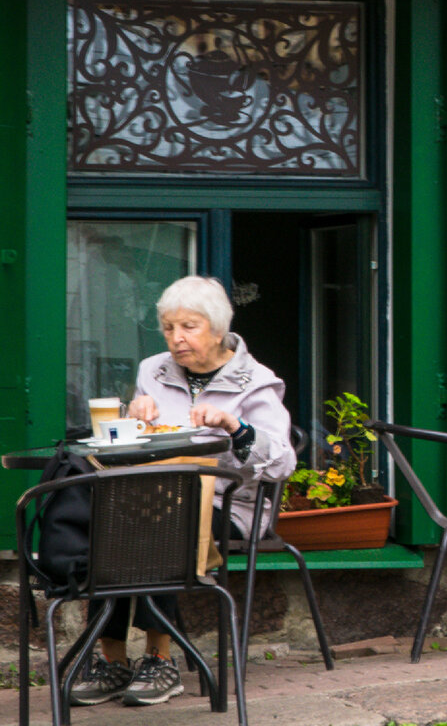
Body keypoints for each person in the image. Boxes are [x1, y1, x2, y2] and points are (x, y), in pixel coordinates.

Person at [70, 275, 296, 706]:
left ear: (216, 329)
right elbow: (141, 447)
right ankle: (113, 661)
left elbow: (283, 461)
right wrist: (136, 419)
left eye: (188, 327)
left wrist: (235, 428)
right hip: (155, 494)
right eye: (169, 327)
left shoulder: (256, 381)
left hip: (230, 504)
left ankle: (160, 659)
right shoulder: (152, 370)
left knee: (159, 529)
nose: (176, 339)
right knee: (110, 527)